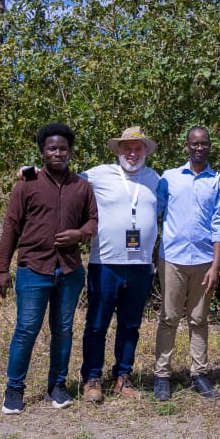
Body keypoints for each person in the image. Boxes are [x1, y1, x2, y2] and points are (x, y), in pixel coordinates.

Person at [0, 123, 98, 414]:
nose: (58, 153)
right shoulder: (27, 185)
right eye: (52, 148)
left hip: (69, 271)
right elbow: (11, 227)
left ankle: (57, 385)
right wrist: (3, 269)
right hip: (33, 269)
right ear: (42, 151)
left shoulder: (81, 186)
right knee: (26, 329)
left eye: (63, 148)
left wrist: (79, 235)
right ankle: (14, 389)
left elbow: (93, 220)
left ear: (70, 152)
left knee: (63, 330)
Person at [78, 126, 163, 403]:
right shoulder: (99, 174)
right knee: (97, 324)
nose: (133, 153)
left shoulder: (154, 178)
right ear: (118, 150)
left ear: (145, 152)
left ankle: (122, 377)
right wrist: (32, 172)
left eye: (138, 148)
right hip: (105, 263)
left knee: (130, 325)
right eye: (127, 148)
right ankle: (91, 378)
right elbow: (64, 181)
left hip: (140, 265)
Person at [152, 126, 220, 401]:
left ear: (210, 146)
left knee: (198, 319)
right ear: (185, 146)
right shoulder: (169, 178)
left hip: (203, 260)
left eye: (204, 143)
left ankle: (199, 374)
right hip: (172, 258)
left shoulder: (219, 181)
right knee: (169, 317)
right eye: (194, 144)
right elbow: (154, 211)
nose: (199, 148)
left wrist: (215, 265)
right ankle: (162, 375)